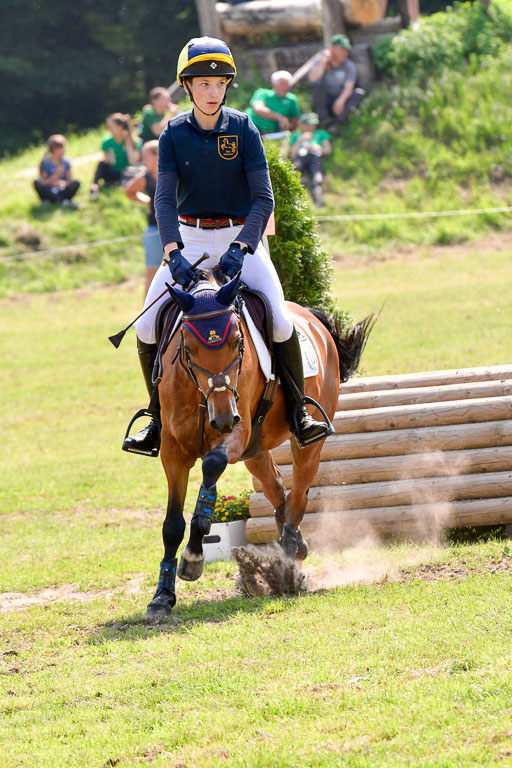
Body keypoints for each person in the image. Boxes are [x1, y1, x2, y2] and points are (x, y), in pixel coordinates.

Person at [122, 36, 331, 458]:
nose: (213, 91)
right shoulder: (173, 135)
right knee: (145, 327)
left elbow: (263, 198)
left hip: (241, 239)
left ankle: (299, 412)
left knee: (279, 320)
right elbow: (163, 199)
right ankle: (156, 420)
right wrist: (172, 251)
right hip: (191, 239)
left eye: (219, 84)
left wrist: (243, 245)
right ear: (187, 87)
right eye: (203, 84)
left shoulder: (243, 128)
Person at [124, 140, 161, 296]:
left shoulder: (174, 174)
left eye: (146, 156)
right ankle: (147, 316)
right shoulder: (145, 177)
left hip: (177, 227)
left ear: (157, 155)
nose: (143, 160)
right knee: (151, 273)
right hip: (154, 228)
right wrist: (145, 200)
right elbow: (129, 191)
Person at [308, 34, 365, 130]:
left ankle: (339, 122)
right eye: (342, 50)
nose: (345, 53)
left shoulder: (349, 65)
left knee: (358, 93)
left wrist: (341, 100)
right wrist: (324, 62)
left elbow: (349, 87)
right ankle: (325, 121)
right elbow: (312, 79)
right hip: (325, 100)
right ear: (332, 49)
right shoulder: (321, 62)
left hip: (340, 99)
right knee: (317, 85)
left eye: (346, 50)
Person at [90, 113, 142, 200]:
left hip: (127, 173)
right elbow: (110, 161)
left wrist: (128, 144)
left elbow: (133, 161)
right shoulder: (107, 141)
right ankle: (94, 187)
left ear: (120, 127)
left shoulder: (135, 142)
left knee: (130, 171)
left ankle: (116, 184)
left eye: (111, 127)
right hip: (114, 171)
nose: (109, 129)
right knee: (101, 164)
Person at [290, 112, 332, 208]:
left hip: (315, 157)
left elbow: (328, 150)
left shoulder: (321, 133)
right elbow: (293, 154)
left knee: (317, 178)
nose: (311, 127)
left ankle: (319, 202)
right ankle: (293, 201)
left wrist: (317, 148)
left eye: (313, 124)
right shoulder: (296, 136)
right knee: (293, 172)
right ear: (302, 125)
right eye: (309, 124)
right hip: (300, 157)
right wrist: (300, 140)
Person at [246, 70, 301, 135]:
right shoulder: (262, 93)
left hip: (273, 133)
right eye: (282, 84)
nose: (286, 87)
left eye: (287, 84)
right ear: (273, 85)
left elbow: (296, 118)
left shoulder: (292, 99)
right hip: (251, 127)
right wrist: (279, 117)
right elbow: (258, 109)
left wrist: (289, 126)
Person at [33, 135, 80, 209]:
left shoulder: (66, 162)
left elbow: (70, 180)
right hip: (50, 190)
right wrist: (56, 175)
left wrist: (63, 183)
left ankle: (57, 200)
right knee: (37, 182)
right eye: (63, 147)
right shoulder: (45, 163)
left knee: (76, 182)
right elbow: (44, 182)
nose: (65, 150)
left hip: (62, 189)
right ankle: (63, 201)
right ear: (55, 150)